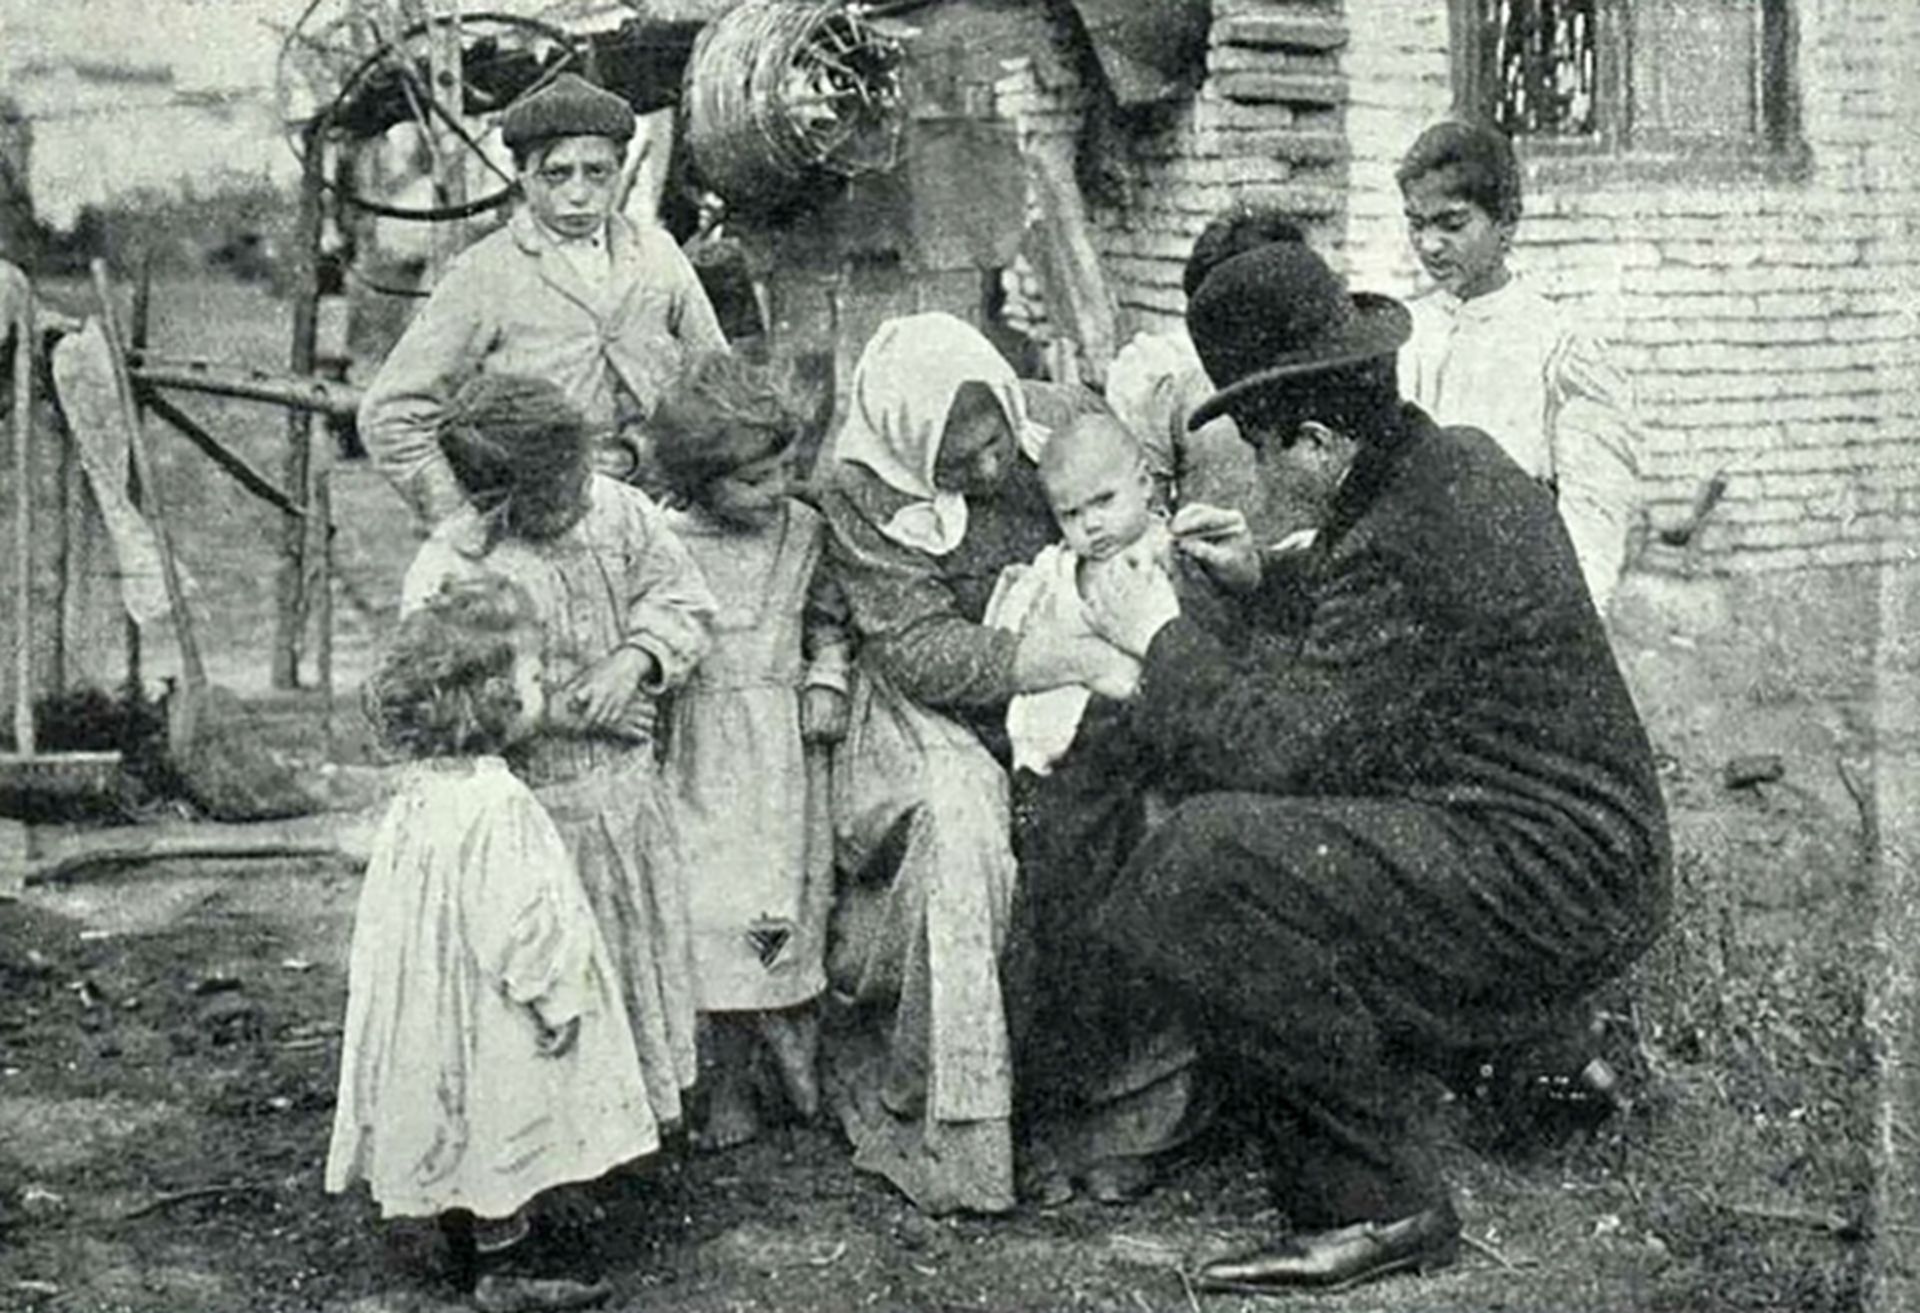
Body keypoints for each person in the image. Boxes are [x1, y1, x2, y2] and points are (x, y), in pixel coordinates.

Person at [1073, 237, 1670, 1293]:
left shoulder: (1399, 534)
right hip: (1587, 846)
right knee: (1318, 839)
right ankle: (1537, 1060)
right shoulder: (1453, 464)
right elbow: (1389, 629)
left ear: (1314, 440)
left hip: (1558, 876)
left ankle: (1375, 1200)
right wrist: (1265, 579)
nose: (1259, 478)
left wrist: (1157, 634)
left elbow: (1277, 750)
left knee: (1207, 862)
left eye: (1263, 452)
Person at [815, 311, 1143, 1215]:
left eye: (997, 442)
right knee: (963, 837)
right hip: (931, 700)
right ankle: (965, 1129)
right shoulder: (861, 488)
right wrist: (1065, 660)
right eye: (960, 465)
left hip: (1070, 668)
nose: (994, 469)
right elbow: (921, 651)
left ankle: (1129, 1116)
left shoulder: (1058, 418)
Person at [401, 372, 716, 1149]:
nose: (579, 500)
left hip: (626, 804)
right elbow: (438, 700)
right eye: (556, 495)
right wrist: (566, 711)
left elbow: (680, 595)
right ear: (497, 501)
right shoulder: (455, 567)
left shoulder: (619, 513)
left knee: (634, 960)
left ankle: (640, 1126)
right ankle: (556, 1149)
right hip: (534, 821)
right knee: (548, 979)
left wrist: (636, 661)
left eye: (581, 477)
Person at [327, 575, 643, 1308]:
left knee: (454, 1109)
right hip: (491, 1001)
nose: (542, 688)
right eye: (531, 677)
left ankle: (460, 1233)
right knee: (503, 1108)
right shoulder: (497, 804)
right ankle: (508, 1269)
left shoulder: (423, 791)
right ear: (488, 697)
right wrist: (554, 996)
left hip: (433, 997)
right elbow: (517, 921)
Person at [359, 72, 727, 531]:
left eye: (597, 172)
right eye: (557, 174)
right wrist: (461, 522)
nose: (578, 193)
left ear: (620, 167)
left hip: (658, 520)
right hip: (537, 523)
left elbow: (717, 382)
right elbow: (392, 415)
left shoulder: (658, 254)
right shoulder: (485, 272)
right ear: (523, 175)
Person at [649, 352, 850, 1150]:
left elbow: (827, 620)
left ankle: (771, 1056)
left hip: (781, 760)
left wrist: (827, 677)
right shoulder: (664, 540)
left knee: (773, 916)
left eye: (784, 470)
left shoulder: (803, 532)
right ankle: (715, 1079)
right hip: (697, 755)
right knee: (707, 915)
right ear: (698, 480)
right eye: (753, 480)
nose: (776, 491)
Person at [1396, 118, 1641, 614]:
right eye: (1416, 224)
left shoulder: (1560, 345)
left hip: (1514, 601)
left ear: (1506, 224)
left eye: (1452, 225)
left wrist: (1570, 622)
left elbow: (1593, 513)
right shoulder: (1404, 331)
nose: (1429, 245)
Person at [986, 413, 1170, 777]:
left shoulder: (1166, 550)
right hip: (1062, 737)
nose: (1091, 524)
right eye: (1071, 514)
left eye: (1104, 500)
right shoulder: (1055, 568)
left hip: (1138, 721)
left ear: (1144, 483)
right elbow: (1014, 629)